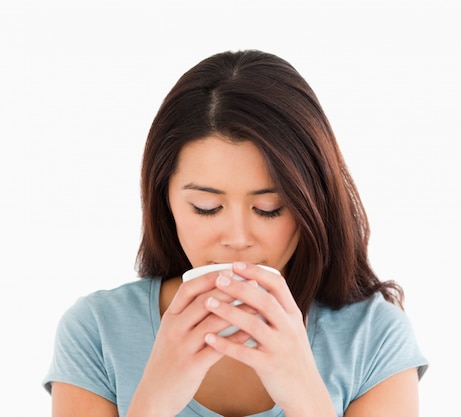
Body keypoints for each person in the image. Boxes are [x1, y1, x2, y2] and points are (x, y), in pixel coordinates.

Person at [43, 49, 428, 417]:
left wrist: (306, 397)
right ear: (165, 201)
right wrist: (152, 403)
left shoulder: (374, 336)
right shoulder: (95, 331)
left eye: (269, 208)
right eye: (206, 208)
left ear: (312, 204)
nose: (238, 238)